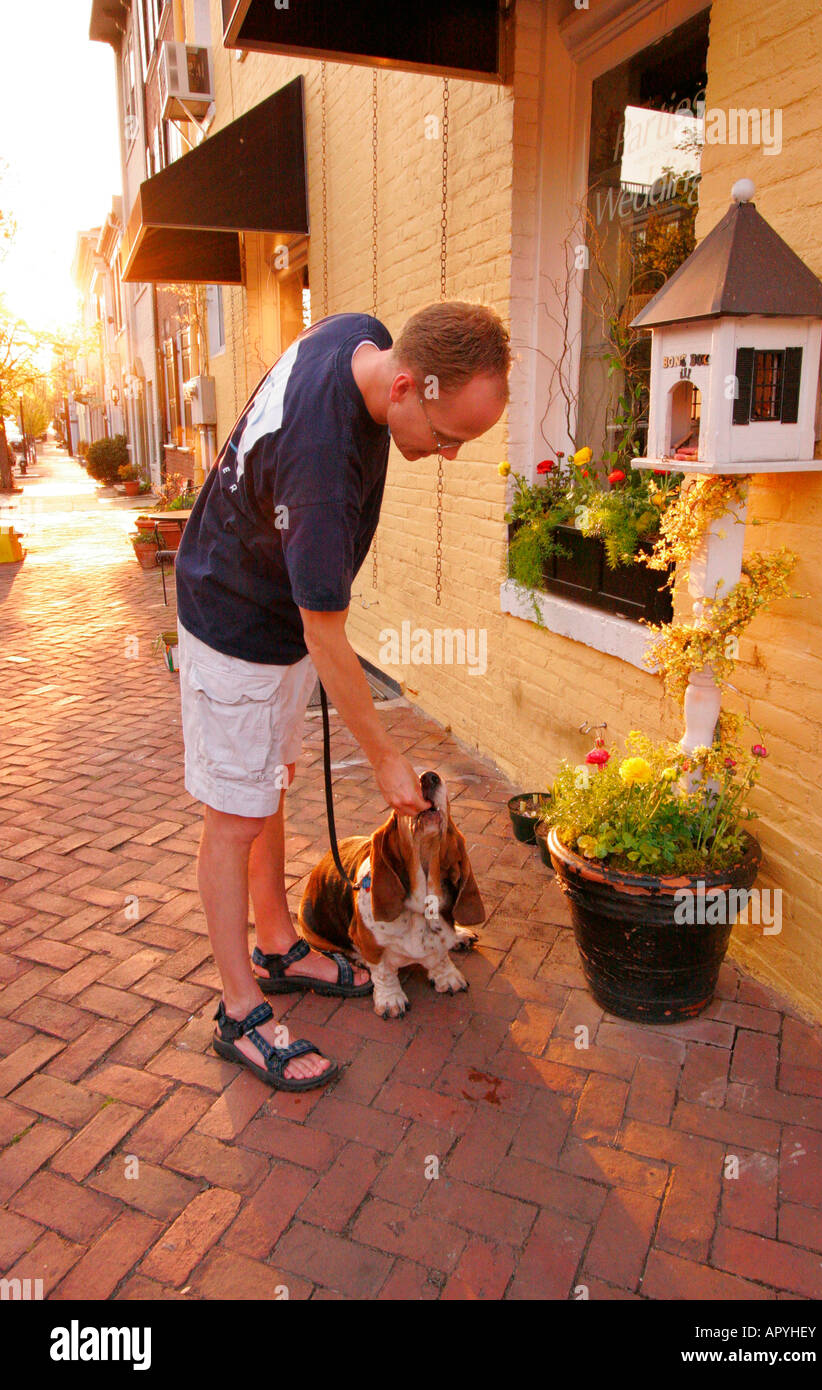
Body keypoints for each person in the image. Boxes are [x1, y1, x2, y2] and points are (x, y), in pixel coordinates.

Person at [174, 301, 511, 1091]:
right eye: (448, 435)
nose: (451, 454)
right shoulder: (321, 474)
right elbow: (328, 637)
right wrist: (388, 760)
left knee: (270, 786)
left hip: (273, 612)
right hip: (235, 623)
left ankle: (279, 943)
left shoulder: (353, 334)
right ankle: (239, 1012)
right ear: (404, 386)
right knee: (234, 815)